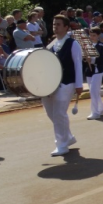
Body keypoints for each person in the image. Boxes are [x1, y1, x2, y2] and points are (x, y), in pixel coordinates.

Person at [43, 15, 83, 156]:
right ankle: (68, 137)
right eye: (54, 24)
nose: (55, 27)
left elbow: (78, 64)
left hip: (67, 82)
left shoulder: (73, 43)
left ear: (66, 27)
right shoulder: (51, 45)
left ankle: (62, 145)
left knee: (59, 113)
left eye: (58, 24)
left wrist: (79, 84)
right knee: (51, 113)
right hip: (52, 84)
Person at [85, 27, 103, 120]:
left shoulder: (102, 45)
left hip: (98, 70)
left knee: (93, 91)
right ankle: (101, 109)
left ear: (98, 35)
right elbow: (83, 58)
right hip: (89, 70)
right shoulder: (87, 46)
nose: (92, 37)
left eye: (94, 35)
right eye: (90, 35)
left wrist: (93, 60)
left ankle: (95, 112)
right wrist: (85, 59)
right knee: (95, 92)